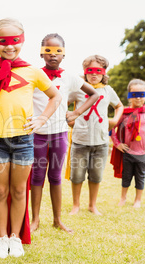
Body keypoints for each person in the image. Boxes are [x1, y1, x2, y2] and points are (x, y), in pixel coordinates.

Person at [0, 18, 62, 258]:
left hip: (24, 141)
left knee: (18, 192)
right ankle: (2, 237)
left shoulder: (32, 71)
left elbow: (55, 97)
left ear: (22, 41)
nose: (9, 46)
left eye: (14, 41)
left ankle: (15, 237)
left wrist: (41, 119)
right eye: (2, 42)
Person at [30, 33, 99, 233]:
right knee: (37, 176)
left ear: (64, 55)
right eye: (48, 51)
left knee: (56, 177)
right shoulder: (34, 74)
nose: (53, 55)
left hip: (59, 134)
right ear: (41, 53)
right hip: (38, 134)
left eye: (58, 51)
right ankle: (35, 220)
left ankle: (57, 219)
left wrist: (76, 112)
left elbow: (93, 94)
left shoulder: (70, 77)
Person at [67, 55, 124, 215]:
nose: (94, 74)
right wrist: (69, 119)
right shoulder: (78, 90)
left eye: (98, 71)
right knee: (77, 175)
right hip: (80, 140)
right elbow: (62, 103)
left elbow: (119, 106)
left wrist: (115, 120)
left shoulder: (107, 90)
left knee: (96, 175)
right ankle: (76, 205)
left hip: (100, 142)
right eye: (90, 70)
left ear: (104, 73)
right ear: (85, 72)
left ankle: (92, 205)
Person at [110, 79, 145, 208]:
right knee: (126, 176)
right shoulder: (124, 113)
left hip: (142, 152)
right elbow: (111, 128)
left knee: (140, 177)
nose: (138, 98)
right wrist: (117, 144)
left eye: (141, 94)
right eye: (134, 94)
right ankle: (123, 198)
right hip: (128, 152)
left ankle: (137, 200)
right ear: (129, 95)